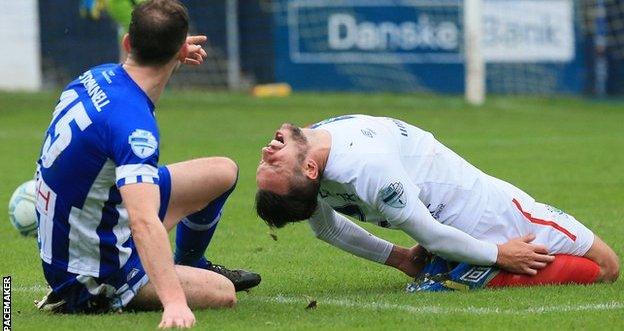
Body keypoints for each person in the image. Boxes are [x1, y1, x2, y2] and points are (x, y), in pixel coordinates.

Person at [34, 1, 259, 328]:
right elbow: (142, 220)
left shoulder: (94, 76)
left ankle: (191, 262)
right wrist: (175, 303)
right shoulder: (135, 127)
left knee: (222, 171)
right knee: (223, 293)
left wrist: (173, 47)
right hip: (89, 269)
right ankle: (132, 282)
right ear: (179, 50)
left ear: (127, 42)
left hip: (85, 220)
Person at [255, 114, 619, 291]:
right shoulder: (366, 167)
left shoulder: (318, 147)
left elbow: (324, 226)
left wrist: (400, 257)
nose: (267, 150)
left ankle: (455, 265)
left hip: (459, 209)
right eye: (274, 162)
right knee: (606, 267)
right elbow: (430, 234)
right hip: (482, 213)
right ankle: (473, 272)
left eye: (265, 161)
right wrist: (498, 254)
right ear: (310, 167)